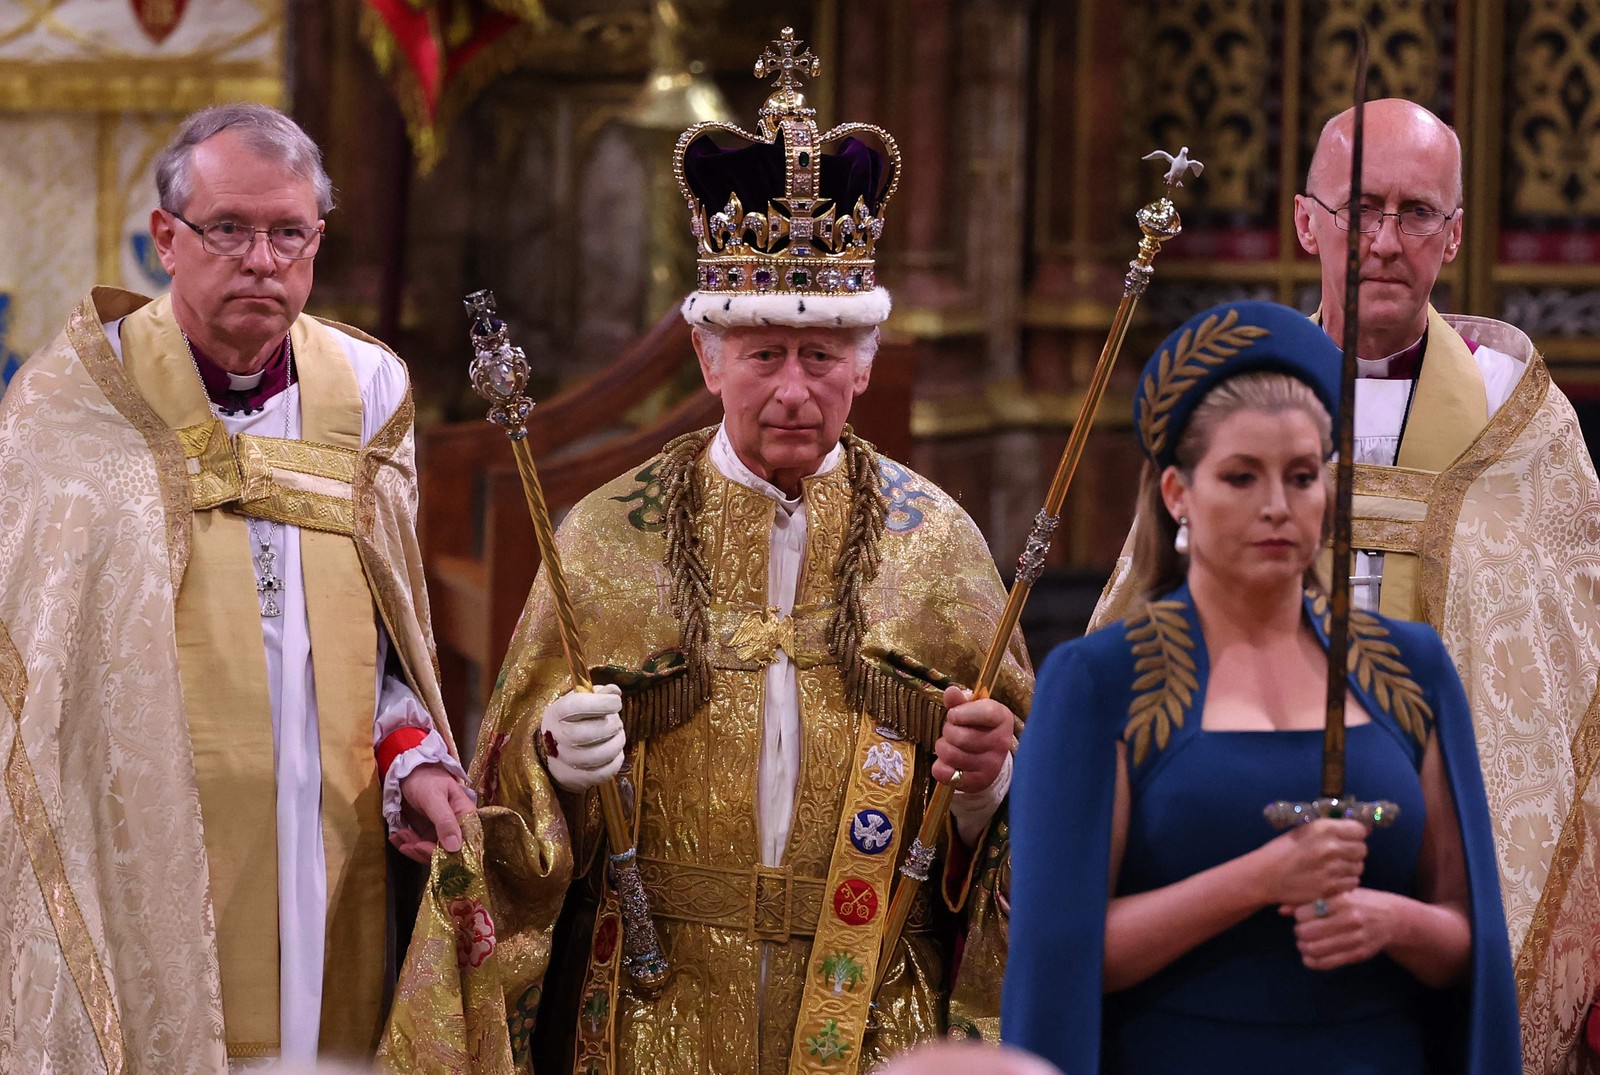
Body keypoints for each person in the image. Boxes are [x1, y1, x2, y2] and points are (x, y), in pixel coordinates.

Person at [383, 30, 1030, 1075]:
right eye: (762, 353)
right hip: (652, 1009)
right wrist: (555, 762)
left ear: (863, 366)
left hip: (867, 1015)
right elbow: (506, 827)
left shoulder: (937, 542)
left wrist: (981, 794)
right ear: (704, 354)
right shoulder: (605, 534)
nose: (791, 389)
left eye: (821, 356)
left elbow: (1006, 828)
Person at [1090, 98, 1600, 1071]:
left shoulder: (1516, 425)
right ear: (1304, 222)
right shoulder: (1230, 406)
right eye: (1359, 207)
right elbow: (1149, 603)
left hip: (1436, 860)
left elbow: (1569, 669)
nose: (1383, 239)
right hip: (1225, 832)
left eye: (1415, 213)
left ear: (1453, 237)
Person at [0, 104, 483, 1069]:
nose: (262, 259)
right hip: (146, 848)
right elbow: (38, 674)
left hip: (328, 849)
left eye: (289, 232)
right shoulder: (77, 400)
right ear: (166, 240)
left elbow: (382, 644)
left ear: (315, 242)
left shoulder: (368, 391)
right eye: (230, 229)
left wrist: (412, 761)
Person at [1003, 300, 1519, 1073]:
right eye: (1242, 477)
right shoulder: (1100, 681)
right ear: (1178, 493)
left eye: (1303, 476)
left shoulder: (1410, 669)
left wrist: (1391, 922)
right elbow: (1062, 951)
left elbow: (1467, 937)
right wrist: (1260, 878)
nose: (1278, 506)